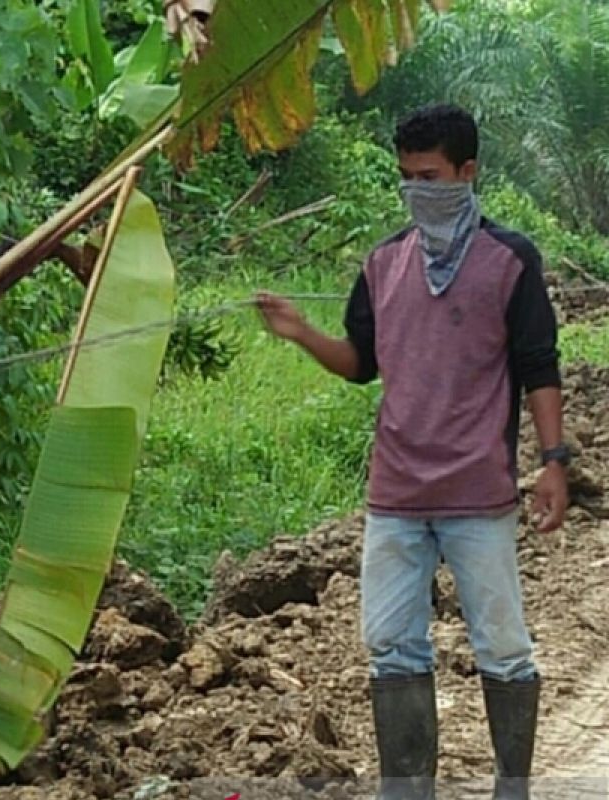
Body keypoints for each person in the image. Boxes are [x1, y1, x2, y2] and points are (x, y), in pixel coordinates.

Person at [256, 104, 570, 800]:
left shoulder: (509, 262)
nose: (417, 190)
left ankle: (512, 788)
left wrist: (555, 462)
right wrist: (301, 332)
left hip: (478, 493)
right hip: (395, 494)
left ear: (467, 173)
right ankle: (407, 791)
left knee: (504, 648)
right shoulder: (382, 264)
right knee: (392, 648)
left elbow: (539, 368)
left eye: (430, 176)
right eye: (406, 177)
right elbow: (359, 363)